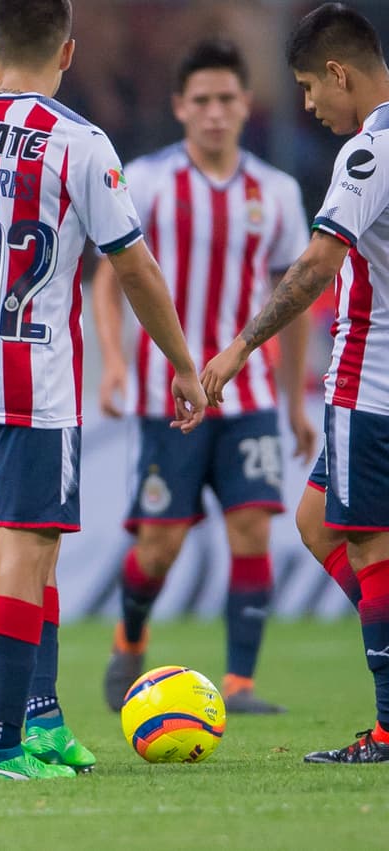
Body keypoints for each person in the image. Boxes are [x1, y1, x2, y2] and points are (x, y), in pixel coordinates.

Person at [0, 0, 207, 780]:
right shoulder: (79, 143)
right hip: (36, 381)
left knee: (40, 549)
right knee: (26, 553)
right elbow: (132, 267)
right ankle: (0, 746)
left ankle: (43, 719)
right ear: (68, 53)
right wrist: (184, 363)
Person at [93, 39, 316, 715]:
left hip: (248, 398)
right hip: (169, 399)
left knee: (252, 530)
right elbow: (107, 281)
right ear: (180, 108)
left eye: (227, 99)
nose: (216, 112)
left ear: (246, 105)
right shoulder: (148, 180)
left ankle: (242, 684)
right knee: (159, 545)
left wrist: (294, 400)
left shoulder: (275, 192)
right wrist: (113, 363)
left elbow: (293, 299)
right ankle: (130, 632)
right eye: (203, 101)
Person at [202, 2, 389, 764]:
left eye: (313, 87)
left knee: (368, 545)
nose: (310, 106)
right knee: (316, 521)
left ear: (341, 73)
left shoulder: (368, 153)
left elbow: (317, 263)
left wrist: (239, 348)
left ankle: (386, 728)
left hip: (367, 381)